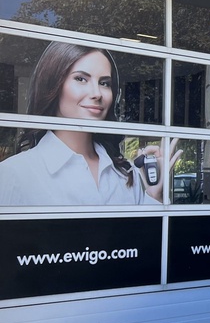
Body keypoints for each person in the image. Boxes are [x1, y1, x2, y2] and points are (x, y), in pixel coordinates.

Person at [0, 41, 180, 205]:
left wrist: (153, 195)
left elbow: (141, 231)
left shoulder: (126, 173)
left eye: (105, 83)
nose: (97, 93)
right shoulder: (14, 175)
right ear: (53, 84)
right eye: (81, 79)